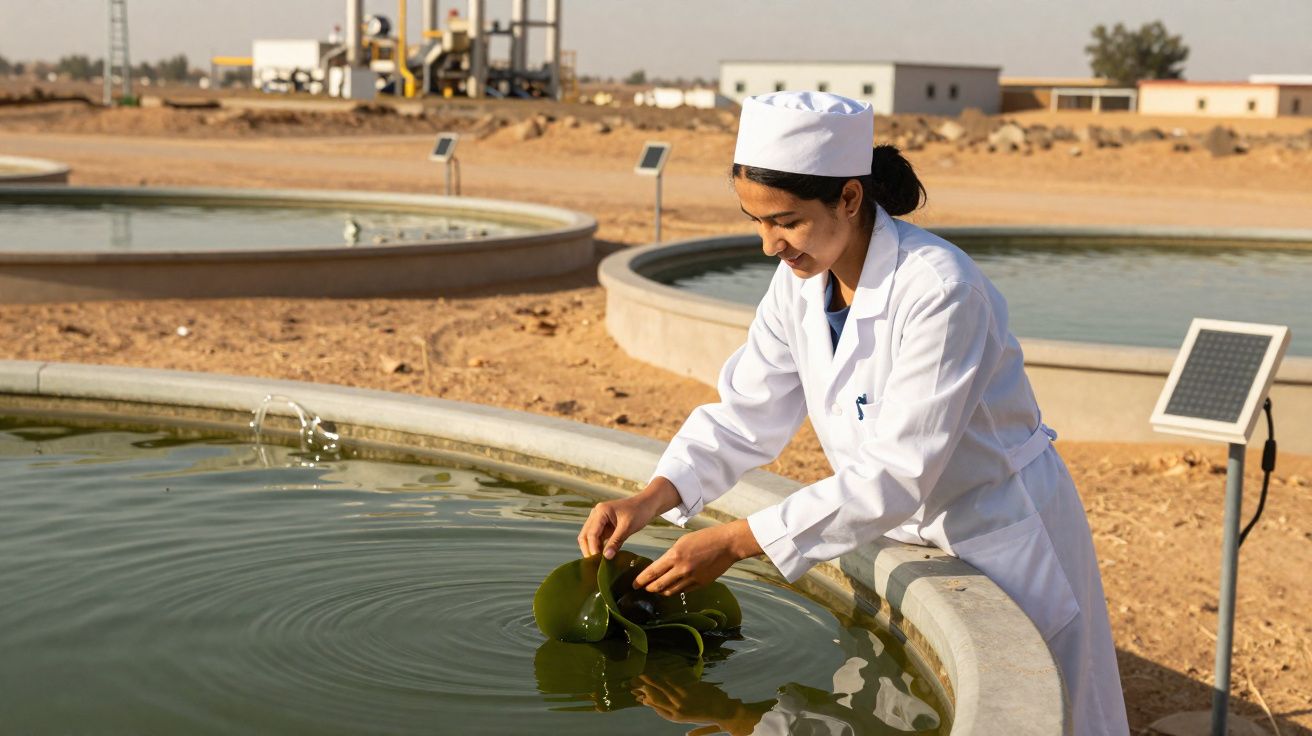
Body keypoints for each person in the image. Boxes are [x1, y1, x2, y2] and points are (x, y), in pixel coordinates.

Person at [577, 91, 1128, 733]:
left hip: (993, 524)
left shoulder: (942, 291)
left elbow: (896, 474)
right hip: (896, 528)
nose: (768, 245)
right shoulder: (801, 281)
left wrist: (733, 542)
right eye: (756, 221)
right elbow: (746, 411)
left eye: (784, 221)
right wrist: (650, 497)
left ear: (848, 198)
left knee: (1042, 709)